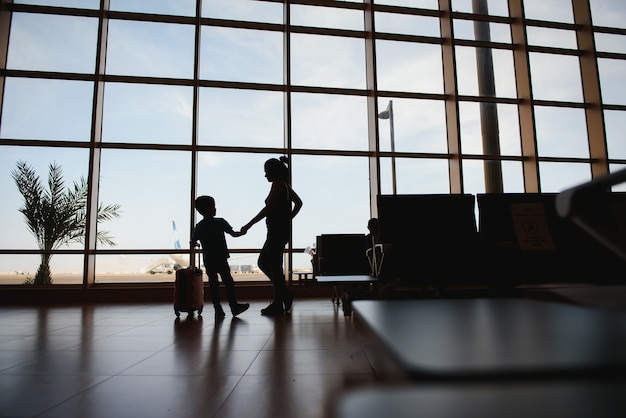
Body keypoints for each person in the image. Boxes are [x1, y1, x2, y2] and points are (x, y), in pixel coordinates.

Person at [241, 156, 303, 315]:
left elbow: (268, 209)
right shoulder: (284, 185)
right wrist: (289, 218)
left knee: (269, 264)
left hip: (276, 232)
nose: (265, 175)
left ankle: (280, 300)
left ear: (273, 171)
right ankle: (282, 296)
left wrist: (249, 224)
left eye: (266, 172)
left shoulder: (278, 185)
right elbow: (299, 203)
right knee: (270, 264)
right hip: (280, 231)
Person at [191, 195, 249, 319]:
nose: (215, 208)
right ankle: (234, 306)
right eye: (213, 206)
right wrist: (244, 231)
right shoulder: (220, 222)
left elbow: (193, 241)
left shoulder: (199, 226)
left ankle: (218, 309)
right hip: (221, 257)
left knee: (213, 284)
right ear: (208, 208)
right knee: (228, 282)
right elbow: (234, 234)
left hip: (208, 258)